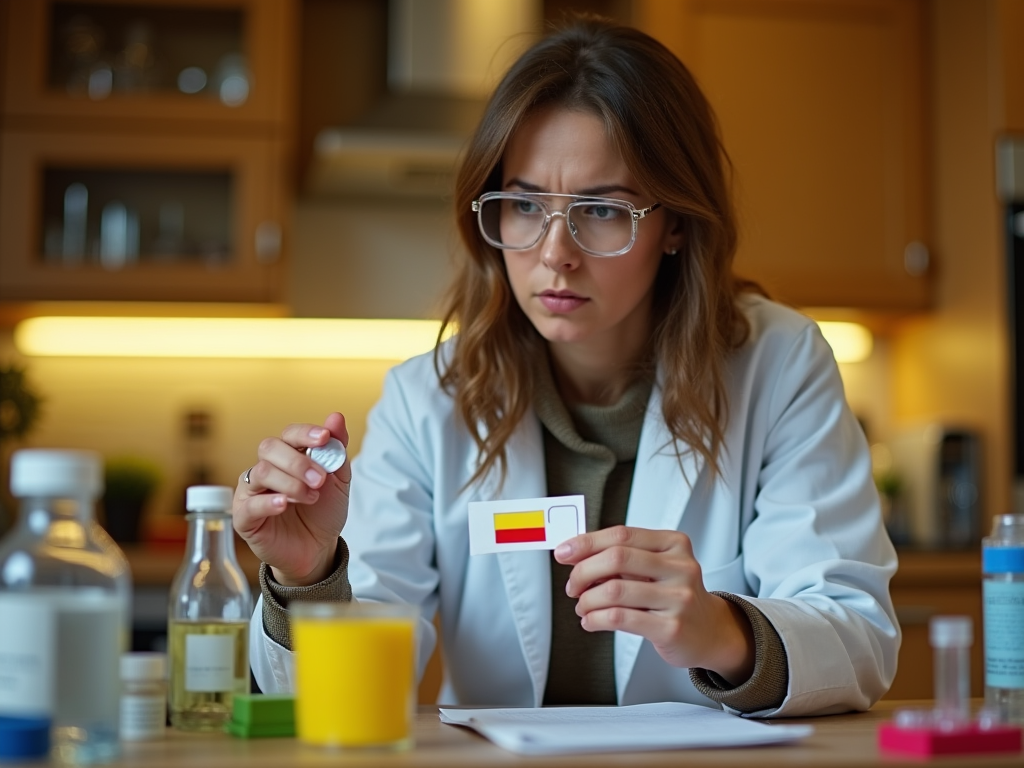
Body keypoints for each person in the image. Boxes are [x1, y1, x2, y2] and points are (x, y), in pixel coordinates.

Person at [233, 17, 900, 717]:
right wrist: (308, 578)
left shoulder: (778, 365)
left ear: (675, 222)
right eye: (524, 205)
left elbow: (857, 637)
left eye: (602, 210)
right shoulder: (427, 399)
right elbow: (323, 704)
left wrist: (720, 631)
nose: (556, 253)